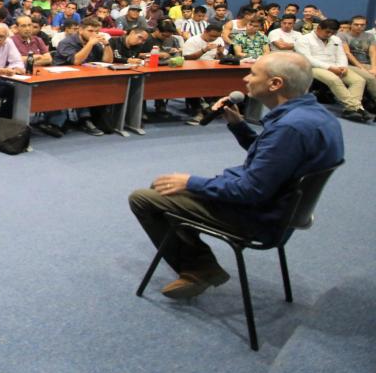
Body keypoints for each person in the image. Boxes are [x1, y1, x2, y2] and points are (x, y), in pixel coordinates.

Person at [129, 53, 343, 299]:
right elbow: (273, 160)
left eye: (253, 74)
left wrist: (191, 182)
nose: (246, 78)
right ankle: (198, 267)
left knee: (145, 197)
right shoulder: (316, 116)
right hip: (283, 210)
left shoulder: (289, 128)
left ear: (275, 84)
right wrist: (238, 126)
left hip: (259, 216)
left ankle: (200, 268)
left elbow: (249, 191)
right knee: (164, 190)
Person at [294, 19, 369, 123]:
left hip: (336, 67)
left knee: (359, 80)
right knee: (333, 79)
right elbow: (308, 59)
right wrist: (330, 67)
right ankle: (356, 107)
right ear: (319, 28)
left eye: (333, 33)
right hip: (313, 67)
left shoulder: (336, 39)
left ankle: (350, 109)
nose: (329, 35)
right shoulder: (303, 39)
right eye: (327, 32)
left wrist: (343, 66)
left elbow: (341, 55)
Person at [54, 17, 107, 136]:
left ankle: (100, 118)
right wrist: (90, 44)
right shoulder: (66, 42)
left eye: (96, 32)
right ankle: (85, 119)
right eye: (90, 31)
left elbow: (106, 60)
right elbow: (76, 61)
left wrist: (107, 44)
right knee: (83, 86)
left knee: (107, 85)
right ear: (80, 30)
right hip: (60, 79)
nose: (94, 34)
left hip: (84, 77)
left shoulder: (95, 44)